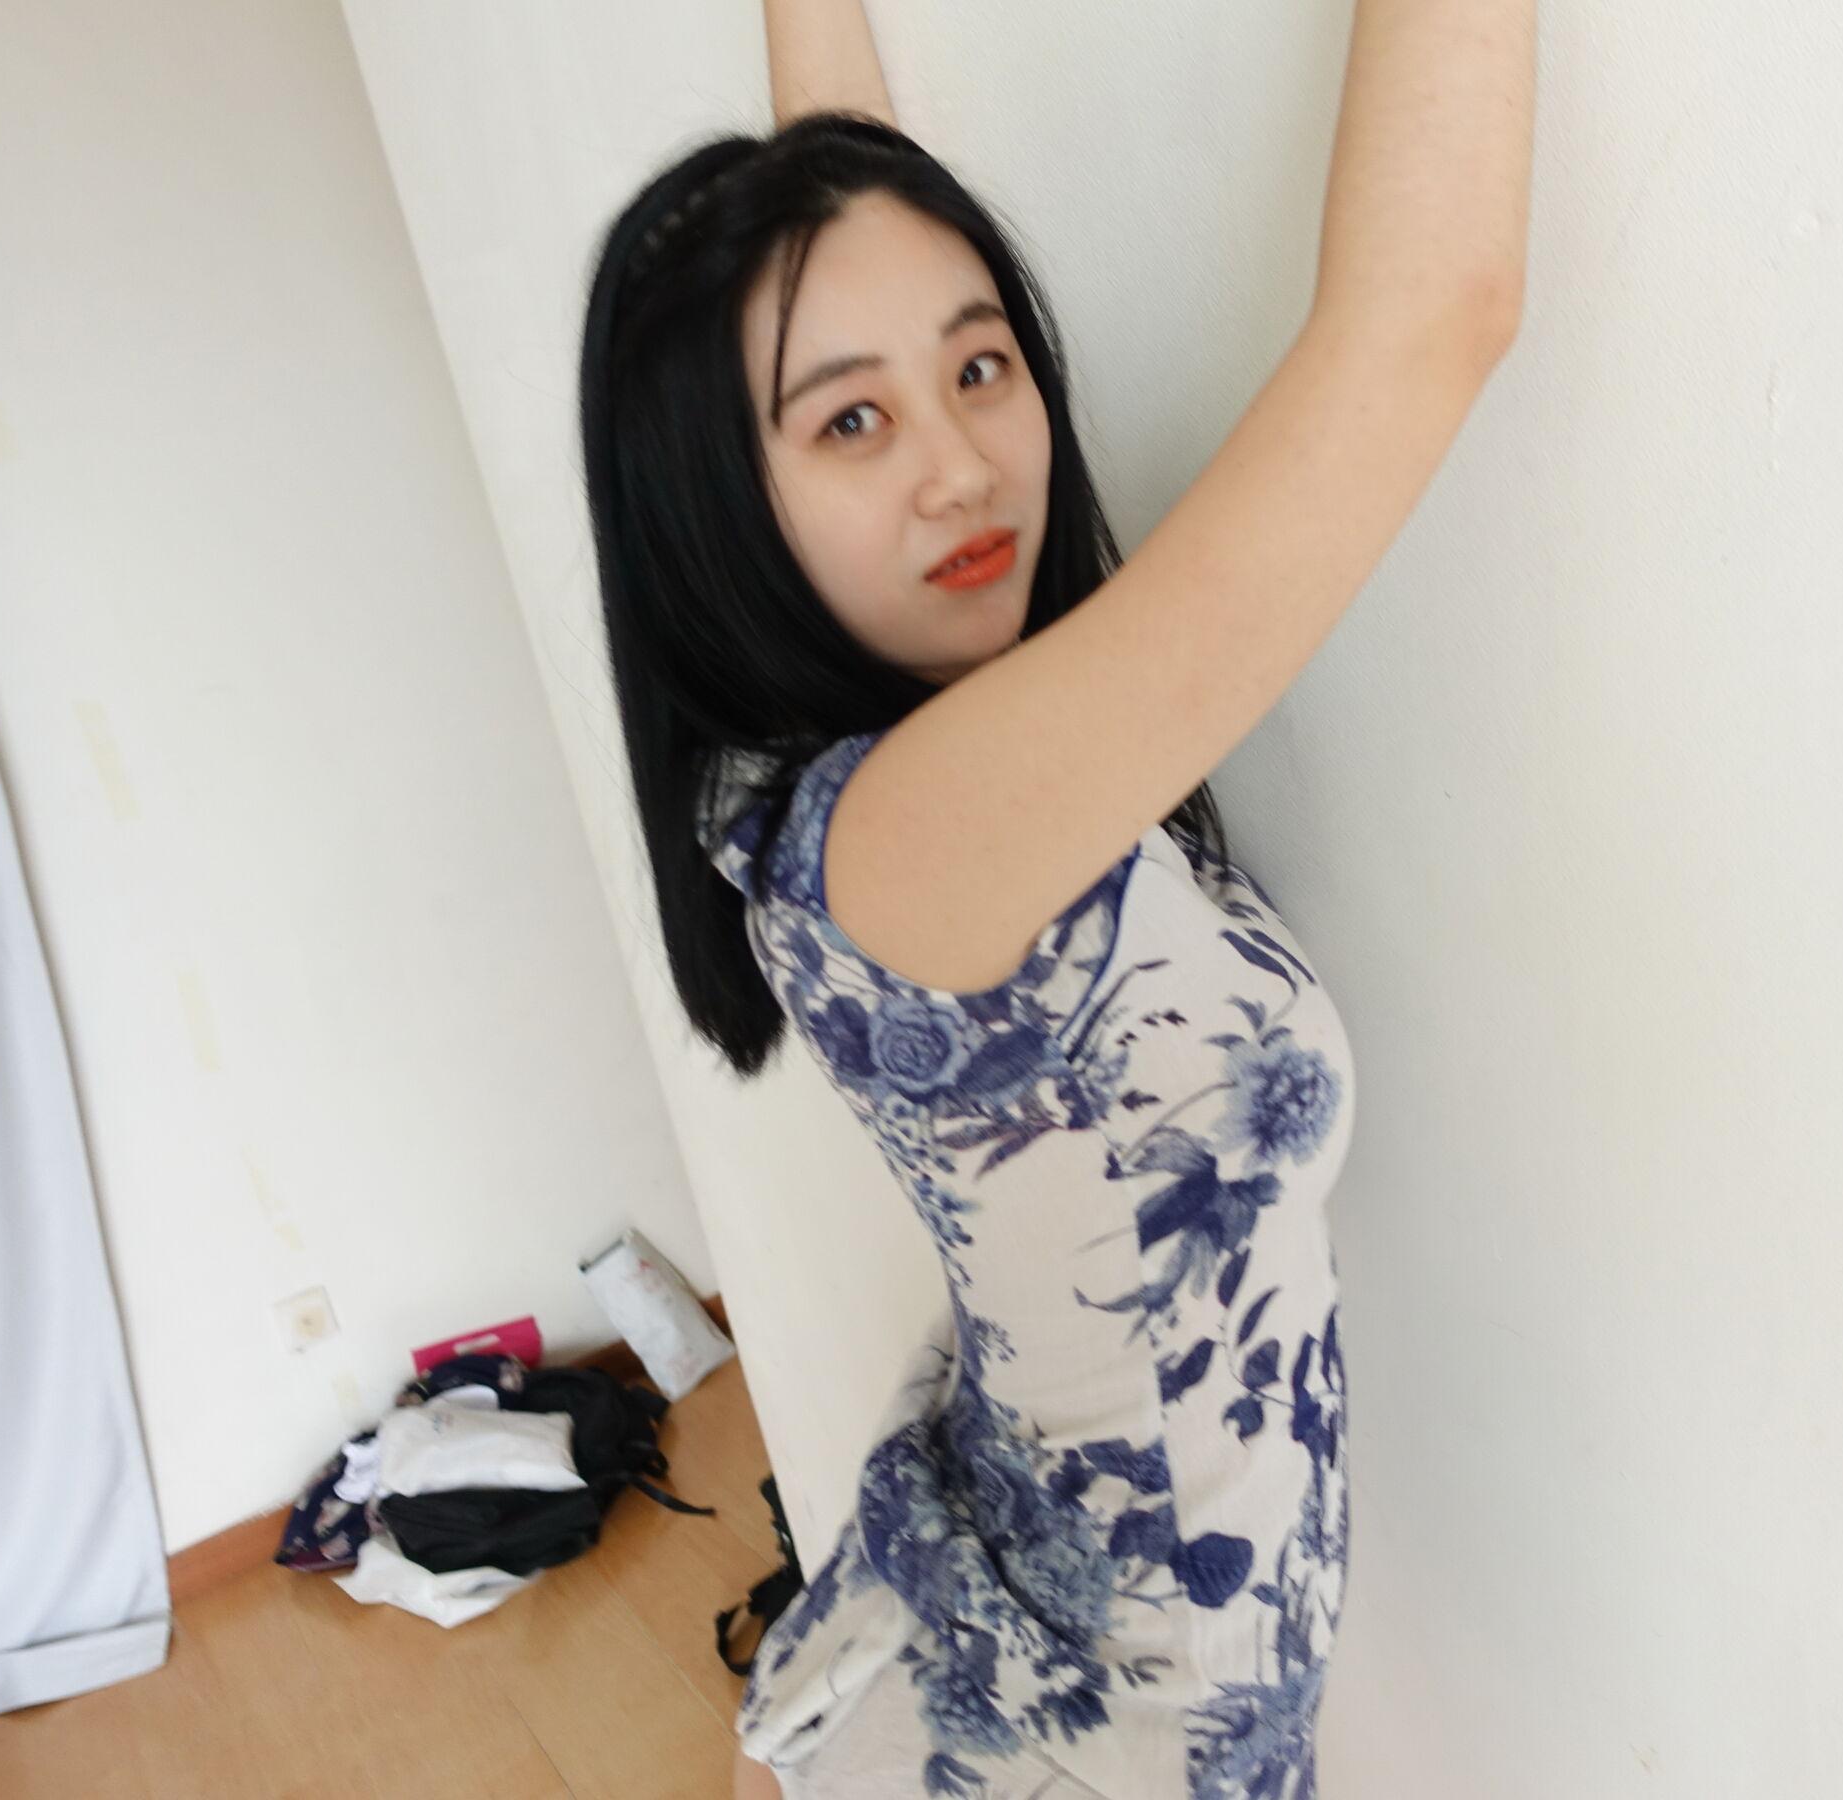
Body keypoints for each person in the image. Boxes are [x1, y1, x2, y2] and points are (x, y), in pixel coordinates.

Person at [577, 0, 1534, 1791]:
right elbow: (1431, 314)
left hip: (1035, 1559)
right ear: (715, 504)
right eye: (851, 423)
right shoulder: (915, 834)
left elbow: (847, 231)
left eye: (980, 368)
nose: (961, 465)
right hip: (1123, 1739)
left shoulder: (815, 758)